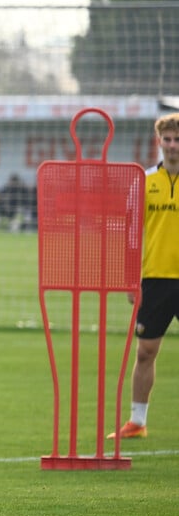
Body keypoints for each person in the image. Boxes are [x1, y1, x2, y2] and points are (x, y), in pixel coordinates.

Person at [108, 112, 179, 440]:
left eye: (177, 140)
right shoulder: (144, 181)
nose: (173, 145)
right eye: (168, 139)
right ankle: (137, 420)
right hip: (155, 279)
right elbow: (132, 234)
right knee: (145, 350)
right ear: (159, 141)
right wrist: (130, 277)